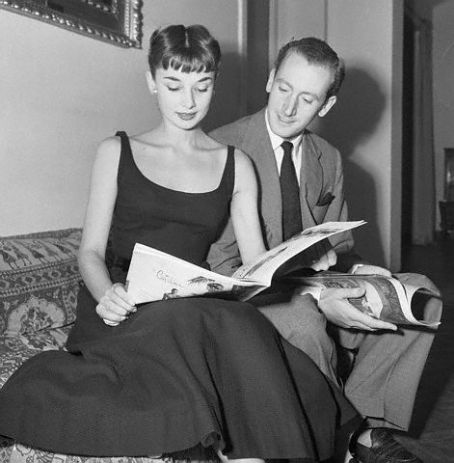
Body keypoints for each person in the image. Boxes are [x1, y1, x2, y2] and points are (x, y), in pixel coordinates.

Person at [0, 26, 359, 462]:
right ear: (152, 82)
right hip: (123, 302)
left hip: (191, 299)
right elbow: (90, 251)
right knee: (207, 326)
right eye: (173, 85)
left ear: (214, 85)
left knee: (241, 324)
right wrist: (105, 293)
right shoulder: (115, 151)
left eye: (201, 86)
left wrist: (296, 262)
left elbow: (253, 266)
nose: (188, 101)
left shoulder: (235, 163)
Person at [208, 37, 442, 463]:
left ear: (327, 105)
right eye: (283, 88)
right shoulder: (221, 147)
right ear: (269, 80)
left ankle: (363, 426)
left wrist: (360, 272)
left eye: (307, 98)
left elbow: (337, 247)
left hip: (313, 284)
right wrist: (314, 296)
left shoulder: (328, 158)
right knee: (303, 320)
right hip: (246, 295)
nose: (288, 108)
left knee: (420, 295)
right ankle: (335, 437)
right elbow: (219, 262)